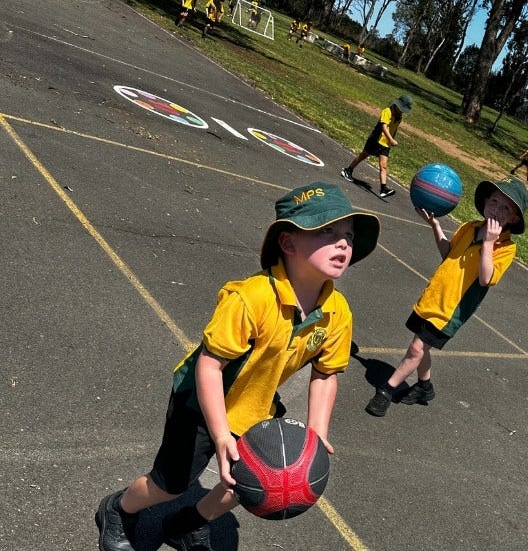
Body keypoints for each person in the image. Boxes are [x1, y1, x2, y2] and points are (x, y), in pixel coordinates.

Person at [95, 182, 380, 551]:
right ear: (288, 243)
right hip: (200, 401)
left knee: (252, 484)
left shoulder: (337, 312)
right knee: (170, 484)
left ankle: (187, 523)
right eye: (326, 231)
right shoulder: (251, 298)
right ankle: (119, 509)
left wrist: (317, 432)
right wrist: (221, 435)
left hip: (252, 404)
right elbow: (210, 367)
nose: (343, 243)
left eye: (348, 235)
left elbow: (326, 373)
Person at [366, 177, 528, 417]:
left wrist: (488, 244)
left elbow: (486, 279)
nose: (497, 209)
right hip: (434, 298)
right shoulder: (470, 227)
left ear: (514, 219)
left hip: (451, 310)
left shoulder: (505, 248)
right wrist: (435, 226)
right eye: (495, 201)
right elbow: (449, 254)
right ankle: (424, 387)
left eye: (506, 208)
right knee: (422, 349)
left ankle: (386, 392)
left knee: (416, 349)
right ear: (485, 201)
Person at [340, 94, 414, 198]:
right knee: (363, 155)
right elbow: (384, 126)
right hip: (376, 140)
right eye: (402, 109)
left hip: (385, 144)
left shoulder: (399, 117)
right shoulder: (387, 111)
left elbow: (393, 129)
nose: (402, 111)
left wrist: (390, 141)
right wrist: (391, 139)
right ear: (397, 105)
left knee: (383, 166)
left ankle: (383, 189)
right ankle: (348, 170)